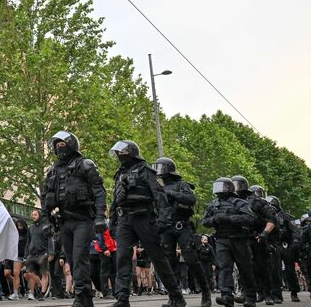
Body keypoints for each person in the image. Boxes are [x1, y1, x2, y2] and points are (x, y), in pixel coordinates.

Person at [107, 140, 185, 307]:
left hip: (144, 218)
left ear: (131, 152)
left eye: (123, 152)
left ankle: (176, 296)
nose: (120, 155)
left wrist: (163, 221)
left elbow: (159, 196)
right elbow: (115, 201)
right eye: (118, 152)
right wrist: (112, 222)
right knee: (122, 258)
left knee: (158, 258)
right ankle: (122, 298)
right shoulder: (119, 173)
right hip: (125, 220)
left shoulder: (145, 170)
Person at [40, 131, 106, 307]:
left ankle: (81, 296)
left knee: (78, 258)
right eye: (56, 145)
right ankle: (85, 299)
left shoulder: (85, 165)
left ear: (71, 145)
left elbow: (99, 191)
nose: (59, 148)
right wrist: (45, 221)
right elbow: (45, 196)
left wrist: (100, 217)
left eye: (62, 144)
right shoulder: (53, 170)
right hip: (64, 221)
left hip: (83, 220)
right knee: (71, 259)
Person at [153, 157, 212, 307]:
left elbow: (191, 199)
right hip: (165, 228)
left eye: (161, 168)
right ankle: (175, 296)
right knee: (169, 263)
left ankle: (205, 291)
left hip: (182, 227)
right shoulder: (156, 187)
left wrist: (172, 194)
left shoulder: (181, 185)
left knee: (191, 259)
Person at [202, 177, 258, 307]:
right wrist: (214, 220)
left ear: (229, 188)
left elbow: (250, 218)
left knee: (245, 268)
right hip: (222, 239)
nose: (219, 190)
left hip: (239, 240)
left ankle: (250, 296)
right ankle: (226, 295)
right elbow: (205, 221)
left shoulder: (239, 203)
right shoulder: (213, 204)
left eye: (222, 187)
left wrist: (229, 219)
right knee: (224, 267)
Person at [232, 177, 278, 305]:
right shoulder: (232, 201)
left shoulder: (259, 202)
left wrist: (264, 233)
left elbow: (272, 219)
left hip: (257, 238)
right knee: (243, 267)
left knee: (261, 267)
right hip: (240, 238)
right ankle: (245, 293)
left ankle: (268, 293)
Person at [266, 195, 301, 303]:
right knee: (274, 270)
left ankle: (294, 292)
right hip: (273, 245)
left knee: (290, 270)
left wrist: (295, 241)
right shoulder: (266, 217)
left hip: (286, 245)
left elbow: (294, 230)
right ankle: (276, 295)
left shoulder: (286, 216)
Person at [6, 218, 27, 300]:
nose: (19, 227)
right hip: (18, 255)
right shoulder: (15, 234)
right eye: (18, 225)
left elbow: (30, 244)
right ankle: (15, 293)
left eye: (21, 225)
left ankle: (38, 287)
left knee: (29, 274)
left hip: (27, 255)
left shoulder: (28, 233)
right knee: (15, 273)